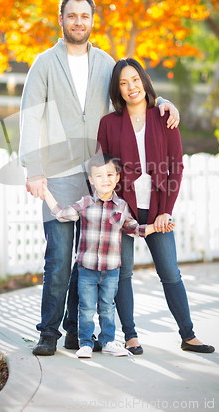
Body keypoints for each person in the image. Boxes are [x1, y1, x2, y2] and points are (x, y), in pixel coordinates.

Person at [19, 0, 180, 357]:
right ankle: (49, 332)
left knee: (87, 257)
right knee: (59, 258)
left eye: (85, 16)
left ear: (93, 21)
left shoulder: (106, 62)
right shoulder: (44, 63)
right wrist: (34, 170)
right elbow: (30, 118)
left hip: (99, 180)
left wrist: (164, 103)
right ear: (61, 20)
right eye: (71, 16)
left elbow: (132, 94)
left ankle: (78, 332)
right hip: (58, 175)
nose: (78, 22)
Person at [97, 58, 215, 354]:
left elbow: (176, 167)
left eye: (134, 79)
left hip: (158, 209)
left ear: (144, 81)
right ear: (117, 90)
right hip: (123, 211)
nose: (130, 87)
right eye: (123, 83)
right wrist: (114, 210)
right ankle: (130, 336)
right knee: (123, 273)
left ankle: (188, 335)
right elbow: (102, 170)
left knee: (170, 272)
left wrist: (166, 211)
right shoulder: (108, 124)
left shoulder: (164, 117)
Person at [41, 153, 166, 358]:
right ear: (91, 180)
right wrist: (45, 191)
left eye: (110, 174)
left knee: (108, 308)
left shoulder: (122, 206)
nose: (105, 179)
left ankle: (108, 341)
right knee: (87, 308)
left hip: (111, 271)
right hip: (87, 270)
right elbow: (61, 214)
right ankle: (86, 344)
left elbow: (135, 229)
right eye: (98, 176)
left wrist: (157, 227)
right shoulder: (85, 203)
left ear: (117, 177)